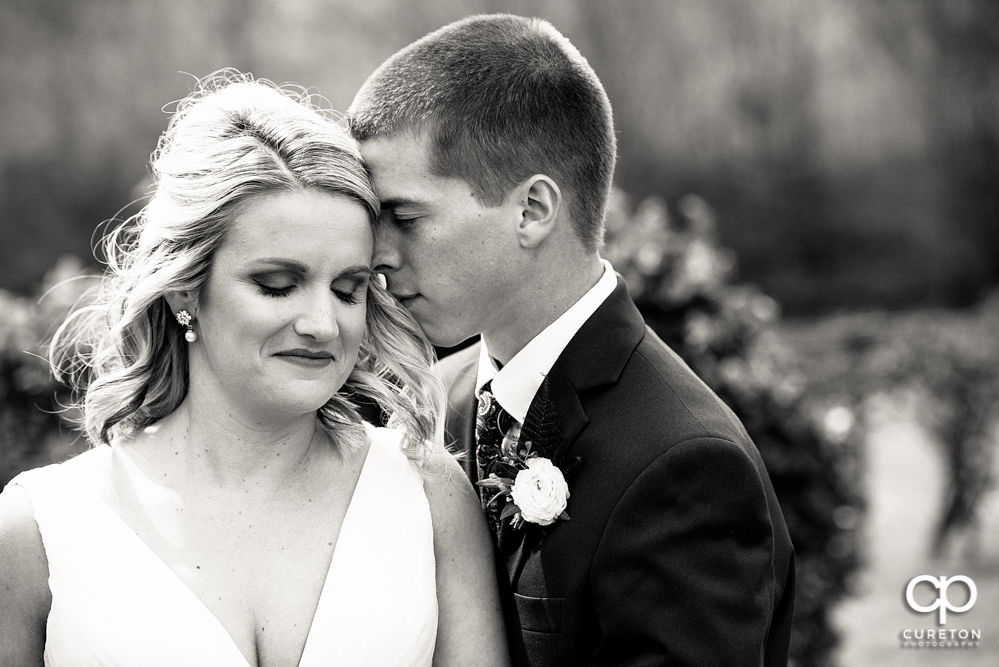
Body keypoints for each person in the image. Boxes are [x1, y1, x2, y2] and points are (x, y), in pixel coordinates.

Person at [0, 72, 509, 667]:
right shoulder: (37, 532)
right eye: (278, 285)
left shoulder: (428, 493)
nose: (323, 322)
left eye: (348, 290)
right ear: (186, 289)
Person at [348, 14, 795, 667]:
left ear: (531, 210)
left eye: (405, 217)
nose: (378, 254)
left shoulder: (682, 466)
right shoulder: (434, 404)